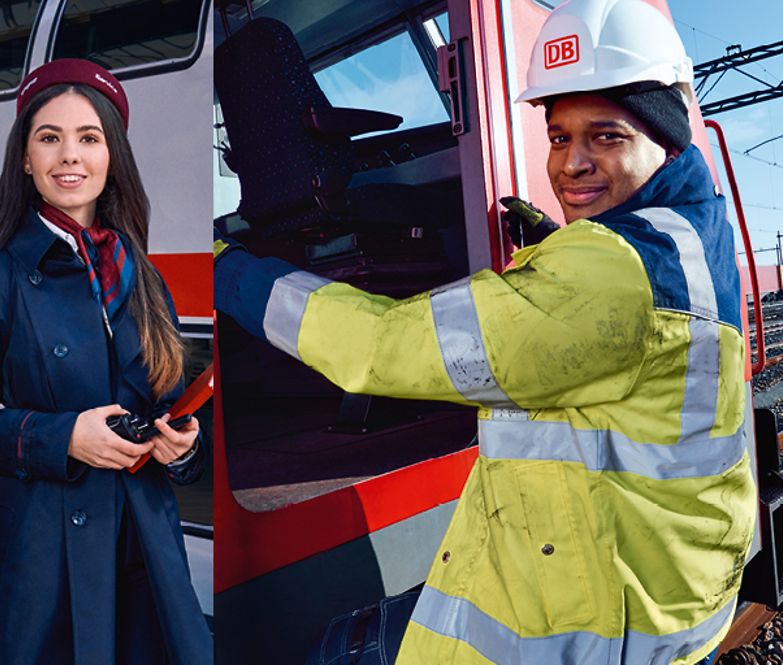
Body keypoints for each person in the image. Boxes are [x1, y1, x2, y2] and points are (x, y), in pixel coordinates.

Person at [214, 0, 754, 663]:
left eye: (606, 136)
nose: (571, 164)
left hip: (602, 634)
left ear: (665, 138)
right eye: (559, 138)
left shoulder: (613, 272)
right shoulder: (690, 232)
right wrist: (558, 251)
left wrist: (230, 272)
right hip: (669, 593)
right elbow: (628, 324)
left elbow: (376, 348)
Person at [0, 59, 212, 664]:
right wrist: (64, 437)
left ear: (112, 158)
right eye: (49, 138)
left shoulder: (143, 274)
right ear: (26, 161)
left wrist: (183, 445)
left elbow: (166, 400)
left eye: (89, 138)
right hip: (40, 553)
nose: (70, 156)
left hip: (144, 543)